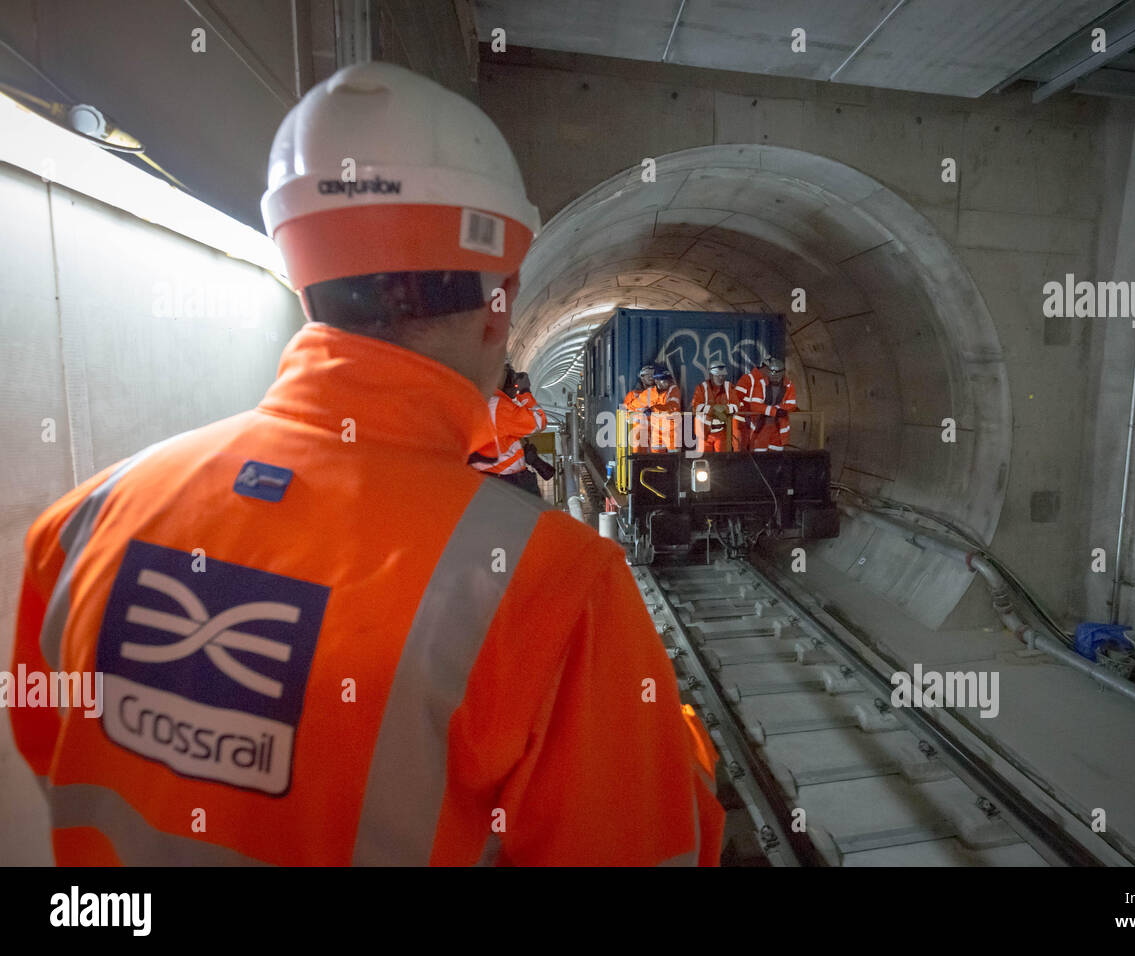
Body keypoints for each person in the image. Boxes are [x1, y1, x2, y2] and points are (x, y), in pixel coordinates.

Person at [10, 62, 723, 867]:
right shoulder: (555, 588)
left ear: (301, 281)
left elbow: (56, 756)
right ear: (501, 305)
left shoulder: (82, 523)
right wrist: (676, 745)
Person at [470, 362, 548, 496]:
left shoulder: (478, 401)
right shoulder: (498, 406)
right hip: (508, 480)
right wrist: (524, 392)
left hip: (483, 480)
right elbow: (539, 421)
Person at [735, 356, 798, 452]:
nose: (774, 375)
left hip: (777, 427)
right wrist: (775, 411)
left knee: (775, 457)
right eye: (771, 371)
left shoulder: (788, 385)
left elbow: (791, 404)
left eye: (777, 372)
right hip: (749, 423)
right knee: (747, 452)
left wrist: (775, 410)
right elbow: (754, 405)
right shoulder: (756, 382)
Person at [691, 361, 739, 453]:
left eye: (723, 375)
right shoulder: (701, 388)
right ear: (711, 375)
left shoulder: (729, 387)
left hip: (721, 431)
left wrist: (724, 409)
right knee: (704, 459)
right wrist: (714, 409)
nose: (721, 378)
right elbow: (696, 406)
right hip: (704, 431)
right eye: (717, 375)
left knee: (722, 459)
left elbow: (736, 406)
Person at [647, 365, 682, 454]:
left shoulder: (674, 390)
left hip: (672, 431)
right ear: (656, 380)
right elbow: (637, 403)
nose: (667, 382)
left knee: (675, 460)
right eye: (664, 379)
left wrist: (653, 408)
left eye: (668, 379)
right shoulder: (652, 392)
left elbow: (672, 406)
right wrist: (626, 410)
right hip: (657, 431)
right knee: (656, 461)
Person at [623, 363, 655, 454]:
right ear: (641, 377)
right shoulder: (633, 395)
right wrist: (642, 414)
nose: (650, 377)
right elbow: (627, 416)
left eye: (652, 374)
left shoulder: (660, 394)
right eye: (647, 374)